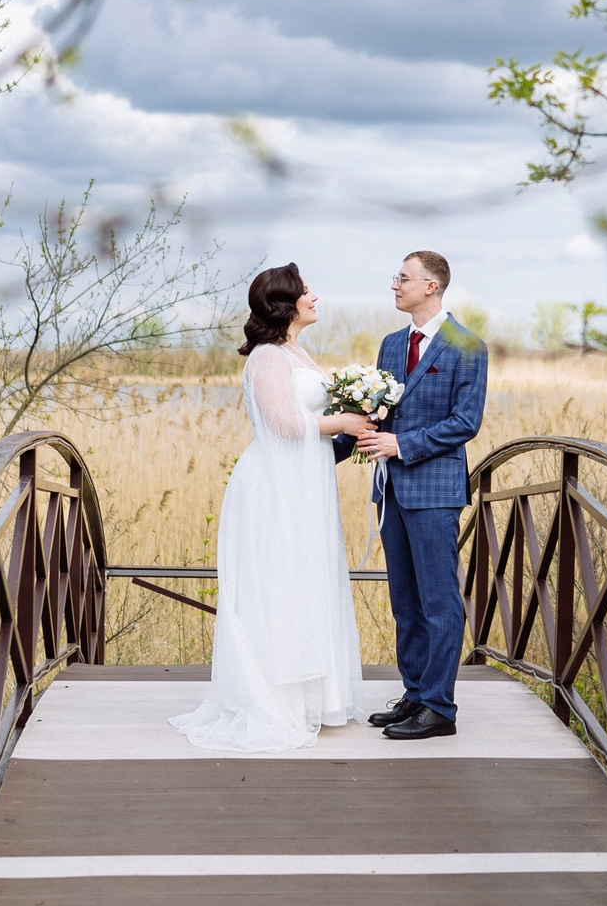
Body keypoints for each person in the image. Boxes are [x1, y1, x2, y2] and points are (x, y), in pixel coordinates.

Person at [168, 263, 368, 752]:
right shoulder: (266, 358)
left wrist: (360, 411)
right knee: (279, 579)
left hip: (304, 480)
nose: (314, 296)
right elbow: (281, 422)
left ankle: (311, 696)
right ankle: (273, 699)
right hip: (276, 483)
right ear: (286, 303)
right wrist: (343, 421)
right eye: (306, 290)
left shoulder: (294, 351)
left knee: (306, 578)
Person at [344, 250, 488, 741]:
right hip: (389, 492)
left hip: (433, 490)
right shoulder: (389, 345)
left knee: (439, 601)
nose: (394, 285)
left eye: (403, 278)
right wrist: (321, 450)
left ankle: (440, 709)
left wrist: (401, 445)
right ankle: (415, 694)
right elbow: (377, 413)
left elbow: (465, 422)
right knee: (405, 600)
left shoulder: (468, 346)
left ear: (431, 286)